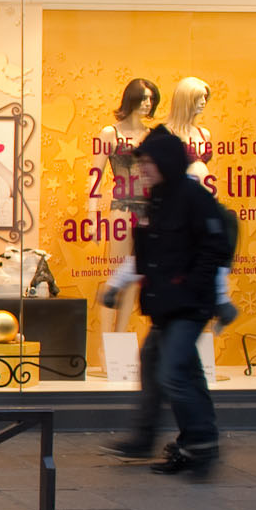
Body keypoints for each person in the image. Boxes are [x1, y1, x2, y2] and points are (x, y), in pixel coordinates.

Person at [99, 125, 236, 478]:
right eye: (141, 161)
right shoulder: (158, 199)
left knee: (174, 372)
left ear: (167, 161)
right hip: (166, 304)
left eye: (148, 161)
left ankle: (200, 443)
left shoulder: (194, 199)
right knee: (162, 368)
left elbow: (215, 250)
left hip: (188, 304)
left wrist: (217, 298)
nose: (142, 167)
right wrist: (116, 285)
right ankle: (153, 440)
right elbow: (144, 255)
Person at [93, 78, 160, 335]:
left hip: (147, 212)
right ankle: (107, 345)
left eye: (151, 99)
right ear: (130, 99)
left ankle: (119, 341)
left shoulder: (153, 135)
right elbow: (95, 174)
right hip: (122, 208)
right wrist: (92, 214)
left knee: (134, 276)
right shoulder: (111, 133)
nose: (147, 103)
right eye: (143, 97)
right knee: (116, 276)